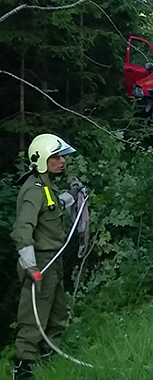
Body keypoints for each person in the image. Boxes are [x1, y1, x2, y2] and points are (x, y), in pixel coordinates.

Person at [11, 134, 79, 380]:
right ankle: (24, 370)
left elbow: (52, 207)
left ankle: (48, 363)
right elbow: (22, 229)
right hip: (40, 263)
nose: (62, 161)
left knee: (57, 314)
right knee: (33, 318)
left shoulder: (47, 186)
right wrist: (30, 265)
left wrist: (72, 196)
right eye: (56, 157)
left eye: (62, 157)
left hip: (54, 261)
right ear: (41, 160)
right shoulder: (34, 190)